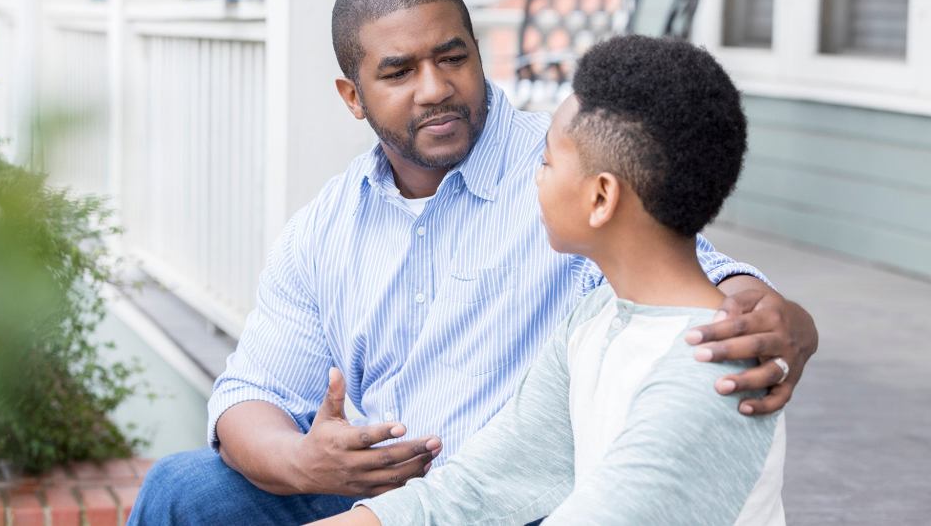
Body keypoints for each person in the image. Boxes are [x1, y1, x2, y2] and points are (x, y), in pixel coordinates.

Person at [128, 0, 817, 525]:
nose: (436, 89)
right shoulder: (325, 228)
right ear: (353, 94)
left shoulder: (569, 173)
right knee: (185, 491)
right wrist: (304, 460)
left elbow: (683, 268)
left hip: (530, 501)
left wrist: (770, 314)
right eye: (399, 71)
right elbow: (253, 389)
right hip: (398, 492)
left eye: (453, 57)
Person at [314, 34, 787, 526]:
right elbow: (477, 487)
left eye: (546, 162)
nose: (535, 179)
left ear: (601, 198)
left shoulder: (710, 368)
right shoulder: (595, 318)